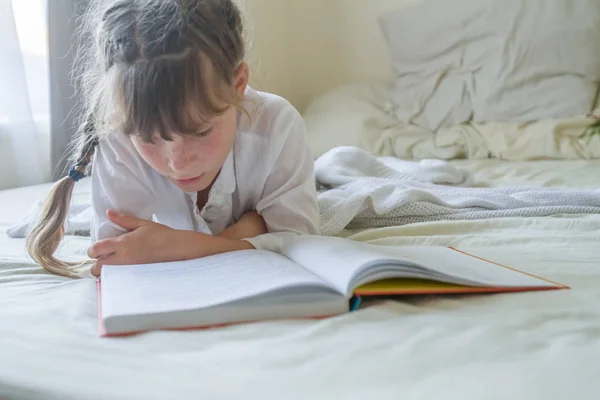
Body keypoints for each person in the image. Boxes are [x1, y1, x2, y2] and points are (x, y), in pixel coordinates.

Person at [26, 0, 319, 278]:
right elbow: (117, 256)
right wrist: (251, 228)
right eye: (149, 139)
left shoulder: (277, 126)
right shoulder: (119, 138)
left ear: (238, 84)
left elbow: (301, 245)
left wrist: (181, 246)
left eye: (200, 131)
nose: (178, 163)